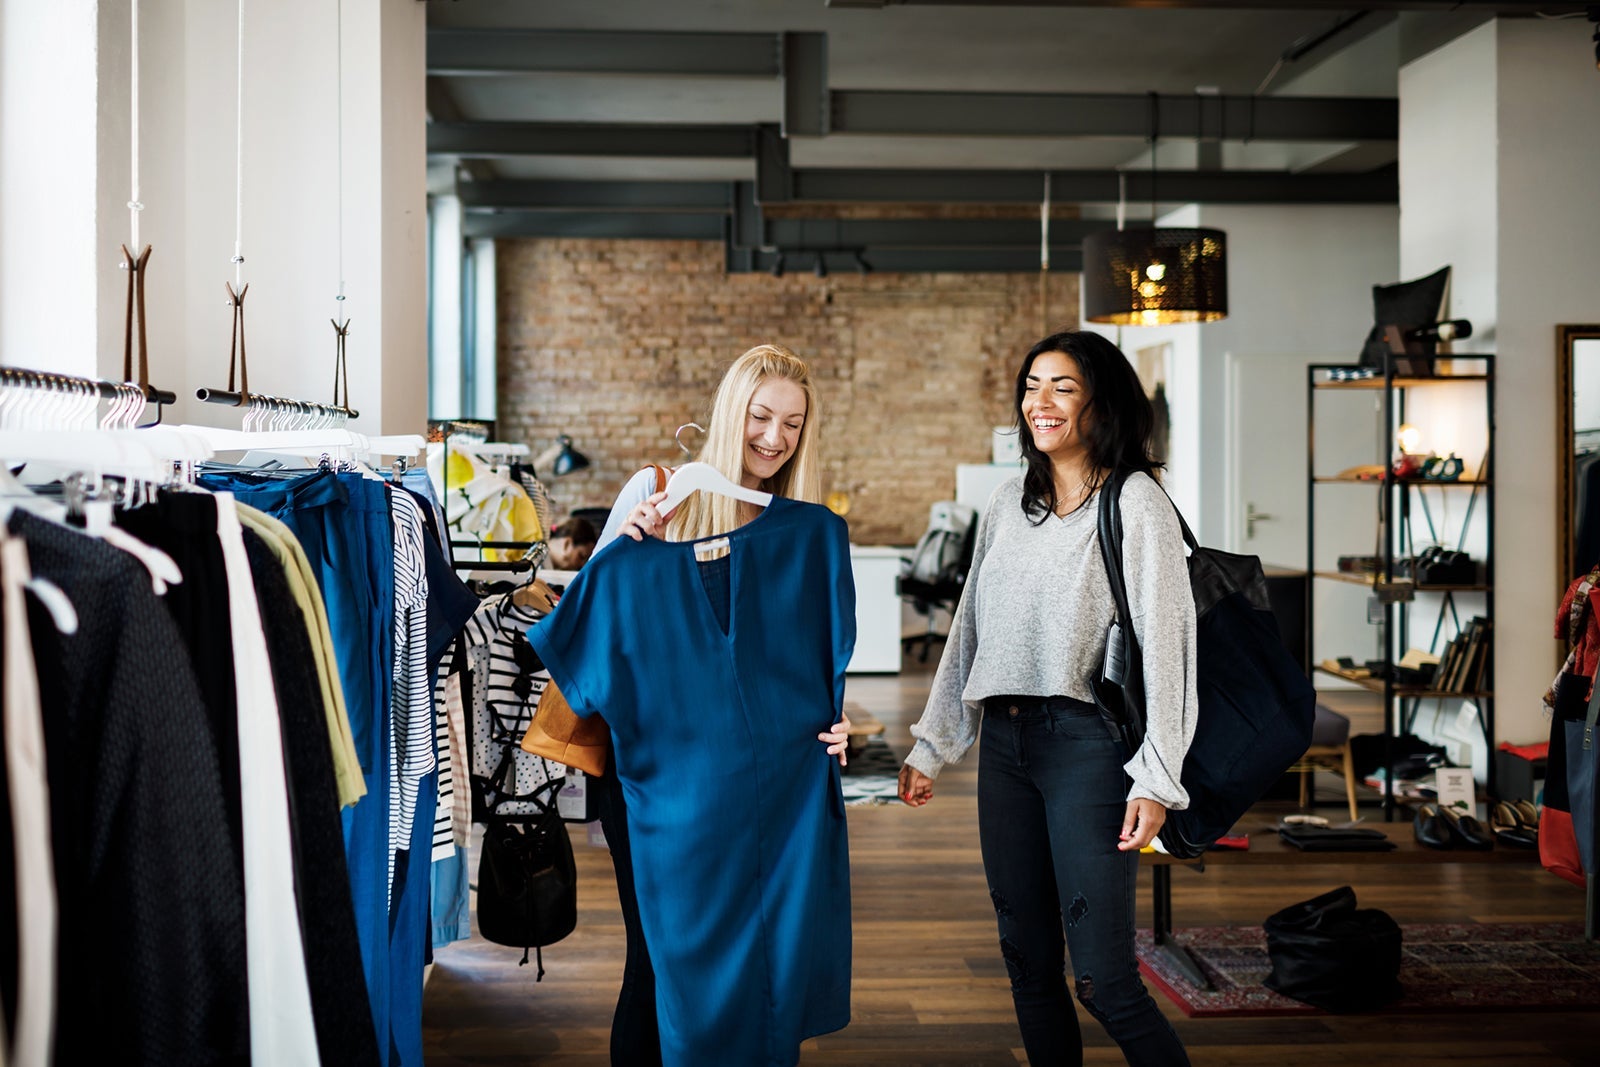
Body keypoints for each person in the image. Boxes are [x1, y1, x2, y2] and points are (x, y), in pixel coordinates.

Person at [897, 329, 1196, 1066]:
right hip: (1005, 748)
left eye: (1063, 385)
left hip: (1086, 750)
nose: (1042, 401)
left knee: (1104, 980)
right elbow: (968, 628)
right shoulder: (1010, 502)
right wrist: (933, 743)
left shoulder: (1136, 503)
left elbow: (1169, 649)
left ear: (1103, 400)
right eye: (1033, 385)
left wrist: (1156, 777)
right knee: (1028, 967)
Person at [590, 342, 852, 1067]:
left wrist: (834, 723)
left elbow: (804, 656)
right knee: (660, 959)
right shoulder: (657, 492)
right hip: (652, 778)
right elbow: (594, 624)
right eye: (761, 416)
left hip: (759, 779)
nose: (774, 437)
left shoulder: (805, 529)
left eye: (793, 424)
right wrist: (629, 546)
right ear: (731, 410)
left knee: (758, 952)